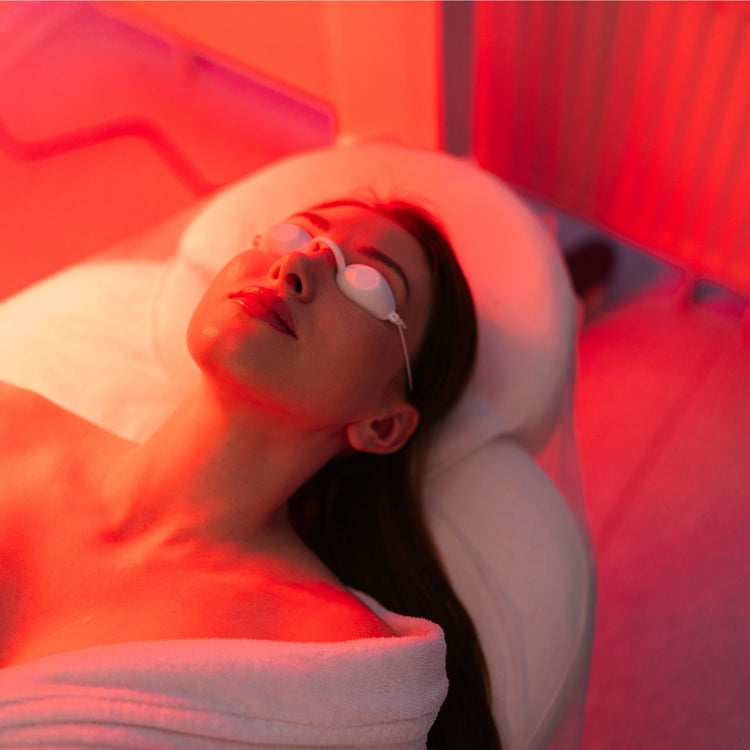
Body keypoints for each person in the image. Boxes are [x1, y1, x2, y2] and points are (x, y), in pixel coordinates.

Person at [0, 198, 501, 748]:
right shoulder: (10, 421)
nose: (299, 266)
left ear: (383, 426)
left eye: (367, 281)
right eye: (294, 235)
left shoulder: (331, 664)